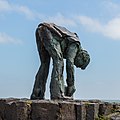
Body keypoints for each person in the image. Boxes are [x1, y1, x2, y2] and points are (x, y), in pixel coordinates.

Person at [30, 22, 90, 100]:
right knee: (59, 61)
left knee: (44, 63)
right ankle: (57, 93)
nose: (76, 65)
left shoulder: (73, 40)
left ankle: (37, 93)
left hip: (41, 30)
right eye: (79, 65)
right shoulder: (76, 44)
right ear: (82, 57)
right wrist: (71, 85)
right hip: (48, 31)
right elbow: (70, 63)